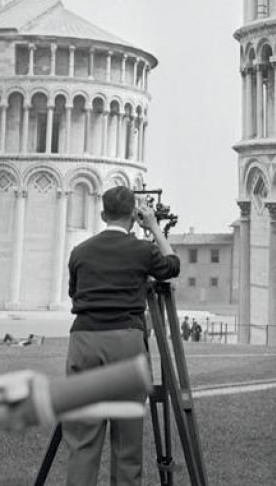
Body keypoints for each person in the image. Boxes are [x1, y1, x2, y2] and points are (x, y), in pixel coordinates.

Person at [63, 185, 180, 486]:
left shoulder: (79, 252)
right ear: (133, 215)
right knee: (127, 444)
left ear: (103, 214)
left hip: (85, 341)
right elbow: (172, 266)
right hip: (126, 342)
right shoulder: (142, 250)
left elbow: (74, 292)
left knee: (83, 442)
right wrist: (153, 226)